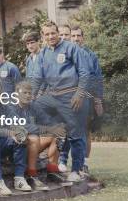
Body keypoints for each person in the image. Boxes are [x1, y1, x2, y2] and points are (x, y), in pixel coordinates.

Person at [32, 20, 91, 183]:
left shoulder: (71, 48)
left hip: (71, 95)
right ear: (43, 36)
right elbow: (37, 78)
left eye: (53, 33)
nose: (51, 36)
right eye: (47, 34)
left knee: (75, 134)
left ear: (58, 33)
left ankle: (77, 170)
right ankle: (50, 142)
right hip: (53, 96)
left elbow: (84, 73)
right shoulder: (43, 53)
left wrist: (79, 94)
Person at [62, 26, 104, 174]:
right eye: (72, 36)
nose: (75, 38)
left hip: (86, 97)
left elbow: (97, 78)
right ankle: (64, 162)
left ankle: (84, 163)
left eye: (78, 36)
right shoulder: (65, 54)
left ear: (82, 38)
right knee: (67, 130)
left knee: (85, 131)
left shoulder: (90, 55)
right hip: (68, 98)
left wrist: (98, 100)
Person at [15, 81, 64, 190]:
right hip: (18, 146)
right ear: (17, 94)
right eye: (25, 93)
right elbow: (22, 127)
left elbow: (47, 121)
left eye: (29, 93)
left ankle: (52, 171)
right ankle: (31, 176)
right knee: (34, 138)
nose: (28, 95)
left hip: (34, 143)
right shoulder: (11, 108)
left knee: (57, 135)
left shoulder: (34, 106)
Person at [0, 80, 32, 195]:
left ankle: (19, 178)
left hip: (2, 145)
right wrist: (8, 132)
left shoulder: (5, 108)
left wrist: (20, 132)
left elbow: (17, 123)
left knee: (20, 139)